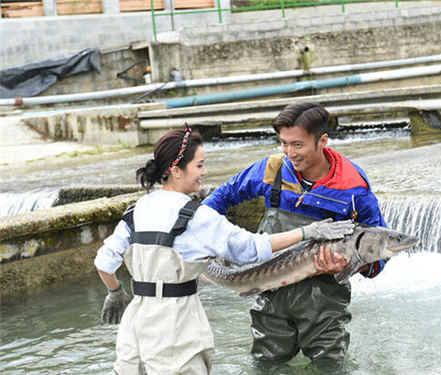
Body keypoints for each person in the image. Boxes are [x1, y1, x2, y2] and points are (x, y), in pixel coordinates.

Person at [94, 123, 355, 375]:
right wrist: (307, 232)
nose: (204, 172)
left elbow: (104, 262)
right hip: (175, 322)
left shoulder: (135, 211)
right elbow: (251, 249)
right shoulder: (196, 217)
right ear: (175, 170)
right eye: (199, 165)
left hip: (136, 321)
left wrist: (115, 293)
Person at [203, 102, 387, 366]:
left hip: (323, 301)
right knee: (266, 365)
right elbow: (221, 197)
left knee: (330, 366)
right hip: (270, 292)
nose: (289, 152)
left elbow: (377, 250)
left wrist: (348, 266)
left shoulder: (353, 187)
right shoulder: (274, 169)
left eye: (297, 144)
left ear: (322, 140)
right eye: (283, 143)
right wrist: (200, 232)